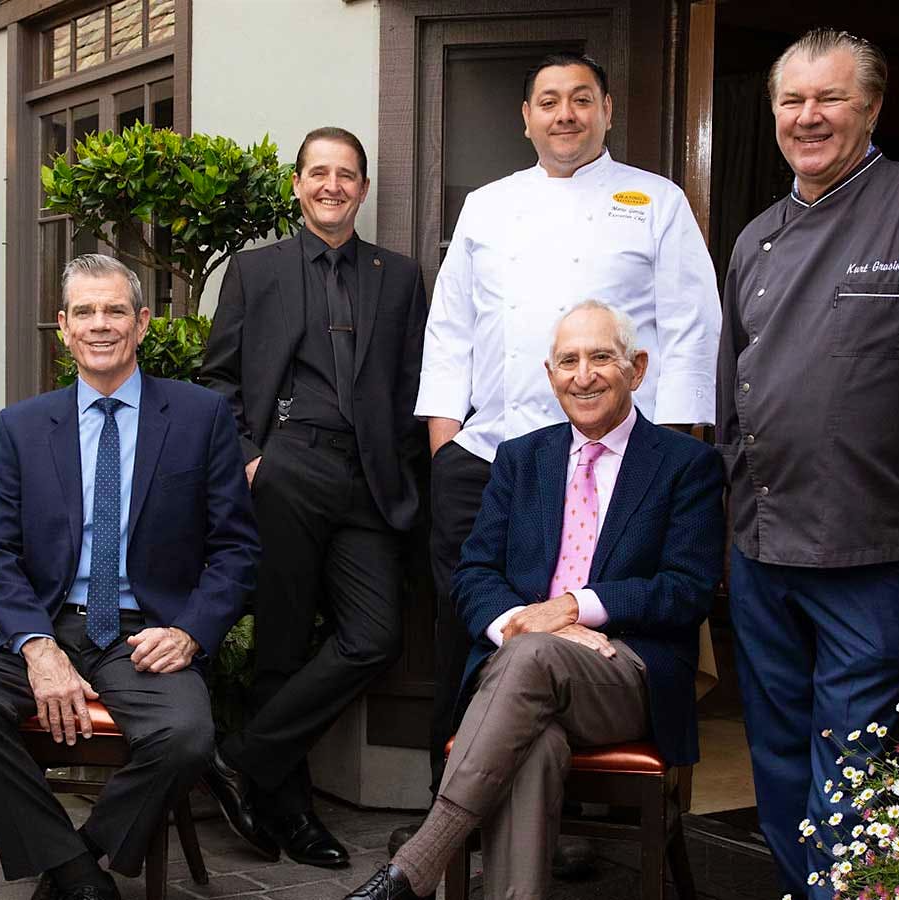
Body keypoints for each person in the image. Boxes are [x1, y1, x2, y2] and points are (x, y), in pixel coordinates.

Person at [717, 29, 899, 898]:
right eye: (791, 101)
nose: (808, 118)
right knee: (774, 751)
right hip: (761, 538)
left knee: (850, 758)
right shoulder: (755, 237)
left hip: (870, 543)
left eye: (830, 99)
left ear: (871, 107)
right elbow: (735, 379)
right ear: (772, 113)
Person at [413, 50, 721, 817]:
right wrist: (447, 445)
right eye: (548, 101)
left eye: (581, 99)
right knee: (468, 635)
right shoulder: (486, 204)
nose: (564, 114)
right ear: (526, 118)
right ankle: (452, 806)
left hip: (611, 466)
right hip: (491, 455)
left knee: (580, 638)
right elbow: (450, 328)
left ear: (607, 110)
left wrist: (670, 458)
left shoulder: (656, 200)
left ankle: (564, 815)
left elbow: (690, 327)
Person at [344, 299, 725, 900]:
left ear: (638, 368)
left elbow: (688, 588)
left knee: (530, 660)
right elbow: (473, 573)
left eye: (601, 357)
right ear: (549, 377)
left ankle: (414, 868)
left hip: (626, 672)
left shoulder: (686, 466)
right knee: (532, 741)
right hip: (526, 674)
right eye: (567, 361)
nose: (583, 375)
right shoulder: (523, 460)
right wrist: (531, 627)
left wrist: (575, 607)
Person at [0, 254, 259, 900]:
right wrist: (35, 645)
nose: (100, 325)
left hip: (144, 632)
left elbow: (237, 551)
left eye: (114, 311)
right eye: (85, 312)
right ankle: (81, 880)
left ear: (141, 323)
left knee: (188, 736)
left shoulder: (199, 419)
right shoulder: (22, 427)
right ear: (64, 327)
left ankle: (80, 856)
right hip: (41, 621)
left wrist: (191, 633)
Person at [197, 126, 429, 868]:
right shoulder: (254, 271)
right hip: (287, 471)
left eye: (347, 174)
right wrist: (251, 459)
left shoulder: (399, 275)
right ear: (297, 185)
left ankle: (242, 755)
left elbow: (416, 383)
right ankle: (292, 814)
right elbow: (218, 378)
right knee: (282, 649)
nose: (333, 185)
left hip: (369, 482)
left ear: (363, 188)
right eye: (318, 173)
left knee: (374, 637)